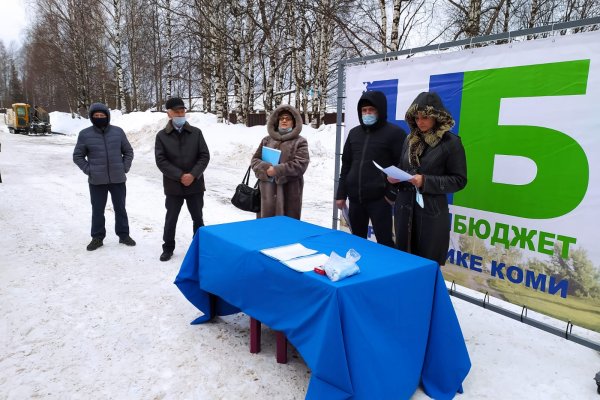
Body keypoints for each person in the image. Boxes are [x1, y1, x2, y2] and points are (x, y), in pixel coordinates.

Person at [388, 91, 467, 265]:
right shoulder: (410, 140)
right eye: (416, 118)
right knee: (403, 263)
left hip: (431, 214)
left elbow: (459, 180)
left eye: (425, 117)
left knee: (426, 266)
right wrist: (394, 178)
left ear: (437, 117)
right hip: (404, 211)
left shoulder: (450, 143)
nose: (420, 122)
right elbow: (404, 168)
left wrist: (426, 181)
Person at [335, 90, 406, 247]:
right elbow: (346, 164)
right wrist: (341, 194)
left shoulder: (395, 134)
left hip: (380, 201)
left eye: (371, 110)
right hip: (355, 200)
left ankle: (386, 270)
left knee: (385, 243)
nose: (367, 113)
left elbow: (402, 167)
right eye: (364, 110)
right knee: (357, 242)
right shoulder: (354, 133)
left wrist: (391, 194)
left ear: (380, 110)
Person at [73, 102, 136, 251]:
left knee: (120, 208)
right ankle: (97, 237)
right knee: (97, 210)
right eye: (96, 116)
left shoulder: (118, 132)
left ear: (107, 116)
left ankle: (123, 235)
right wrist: (90, 170)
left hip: (118, 179)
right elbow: (78, 156)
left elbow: (128, 151)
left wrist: (124, 167)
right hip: (97, 181)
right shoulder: (85, 134)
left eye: (102, 115)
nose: (99, 117)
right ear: (91, 117)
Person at [155, 97, 210, 262]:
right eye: (177, 112)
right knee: (171, 218)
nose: (180, 114)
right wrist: (180, 176)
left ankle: (199, 247)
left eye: (182, 111)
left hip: (195, 184)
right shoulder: (162, 136)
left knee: (198, 218)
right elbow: (161, 160)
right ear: (169, 114)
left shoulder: (196, 133)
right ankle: (168, 248)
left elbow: (204, 156)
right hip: (173, 186)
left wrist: (192, 175)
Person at [251, 105, 309, 219]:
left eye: (288, 118)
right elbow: (254, 160)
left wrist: (277, 170)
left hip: (289, 193)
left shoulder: (300, 141)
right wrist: (265, 168)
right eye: (281, 118)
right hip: (266, 193)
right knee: (266, 228)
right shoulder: (267, 140)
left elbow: (300, 164)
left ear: (294, 122)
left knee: (287, 230)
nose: (284, 121)